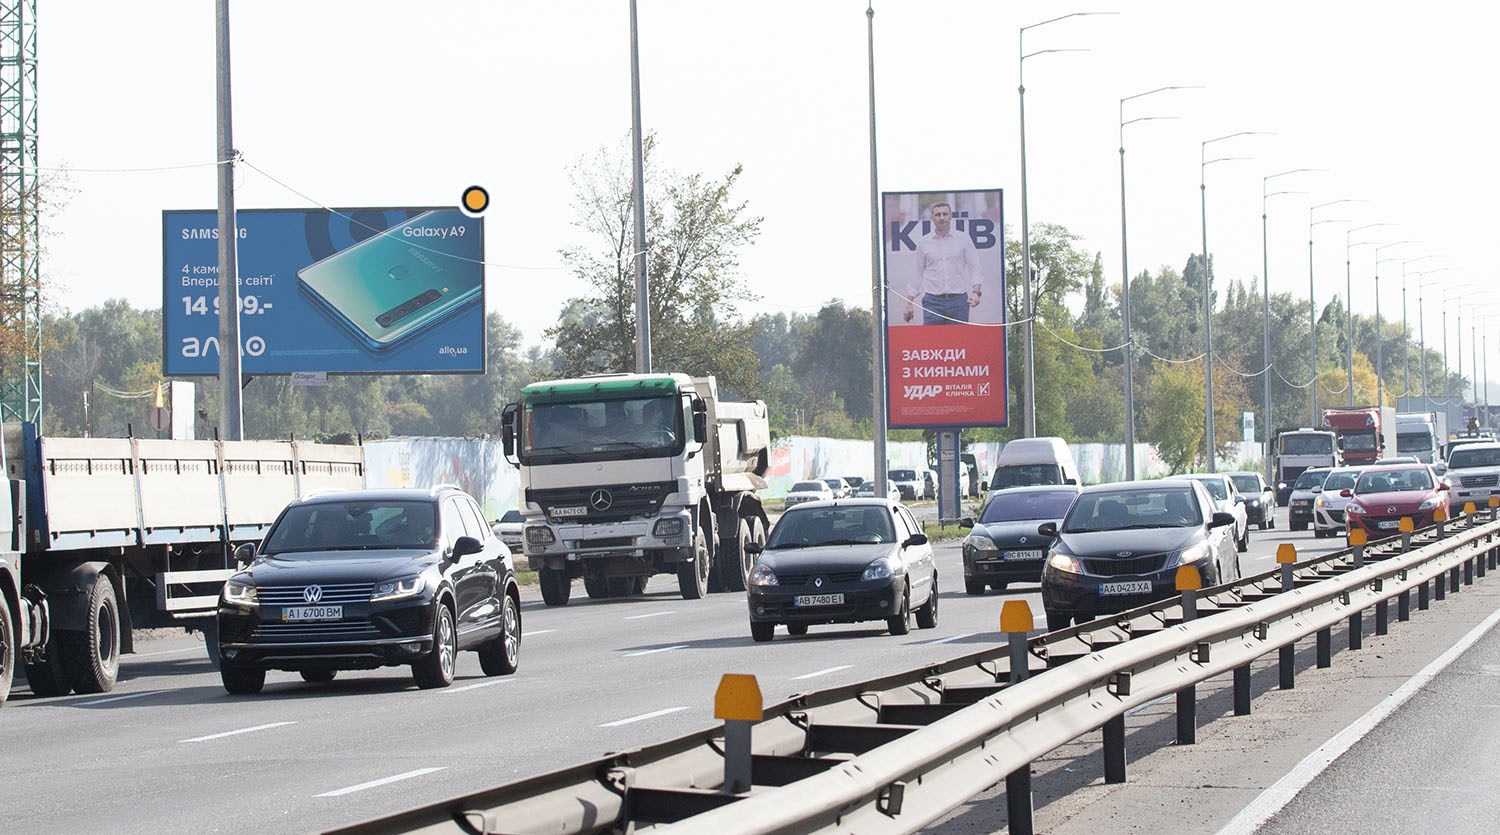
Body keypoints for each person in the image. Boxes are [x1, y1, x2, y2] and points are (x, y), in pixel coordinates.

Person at [902, 201, 983, 325]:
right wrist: (909, 303)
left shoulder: (963, 239)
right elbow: (917, 273)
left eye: (945, 214)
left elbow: (975, 267)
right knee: (932, 338)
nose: (941, 218)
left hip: (959, 302)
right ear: (932, 217)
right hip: (932, 303)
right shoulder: (923, 243)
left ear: (951, 216)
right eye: (938, 214)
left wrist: (976, 292)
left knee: (959, 338)